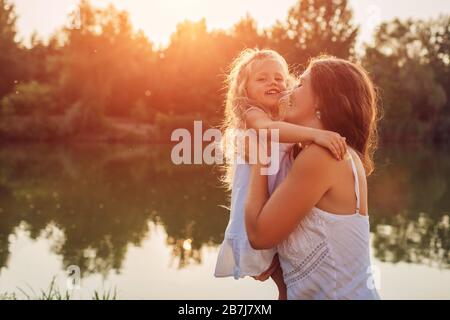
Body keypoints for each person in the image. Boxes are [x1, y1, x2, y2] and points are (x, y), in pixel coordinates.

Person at [214, 49, 347, 300]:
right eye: (262, 79)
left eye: (278, 77)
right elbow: (269, 130)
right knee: (286, 285)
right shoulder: (252, 114)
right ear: (245, 89)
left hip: (276, 210)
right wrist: (314, 135)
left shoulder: (284, 118)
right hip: (256, 215)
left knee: (288, 285)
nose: (272, 83)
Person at [245, 56, 381, 300]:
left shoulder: (323, 157)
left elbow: (258, 235)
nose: (289, 89)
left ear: (322, 100)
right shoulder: (320, 154)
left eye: (300, 84)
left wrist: (258, 160)